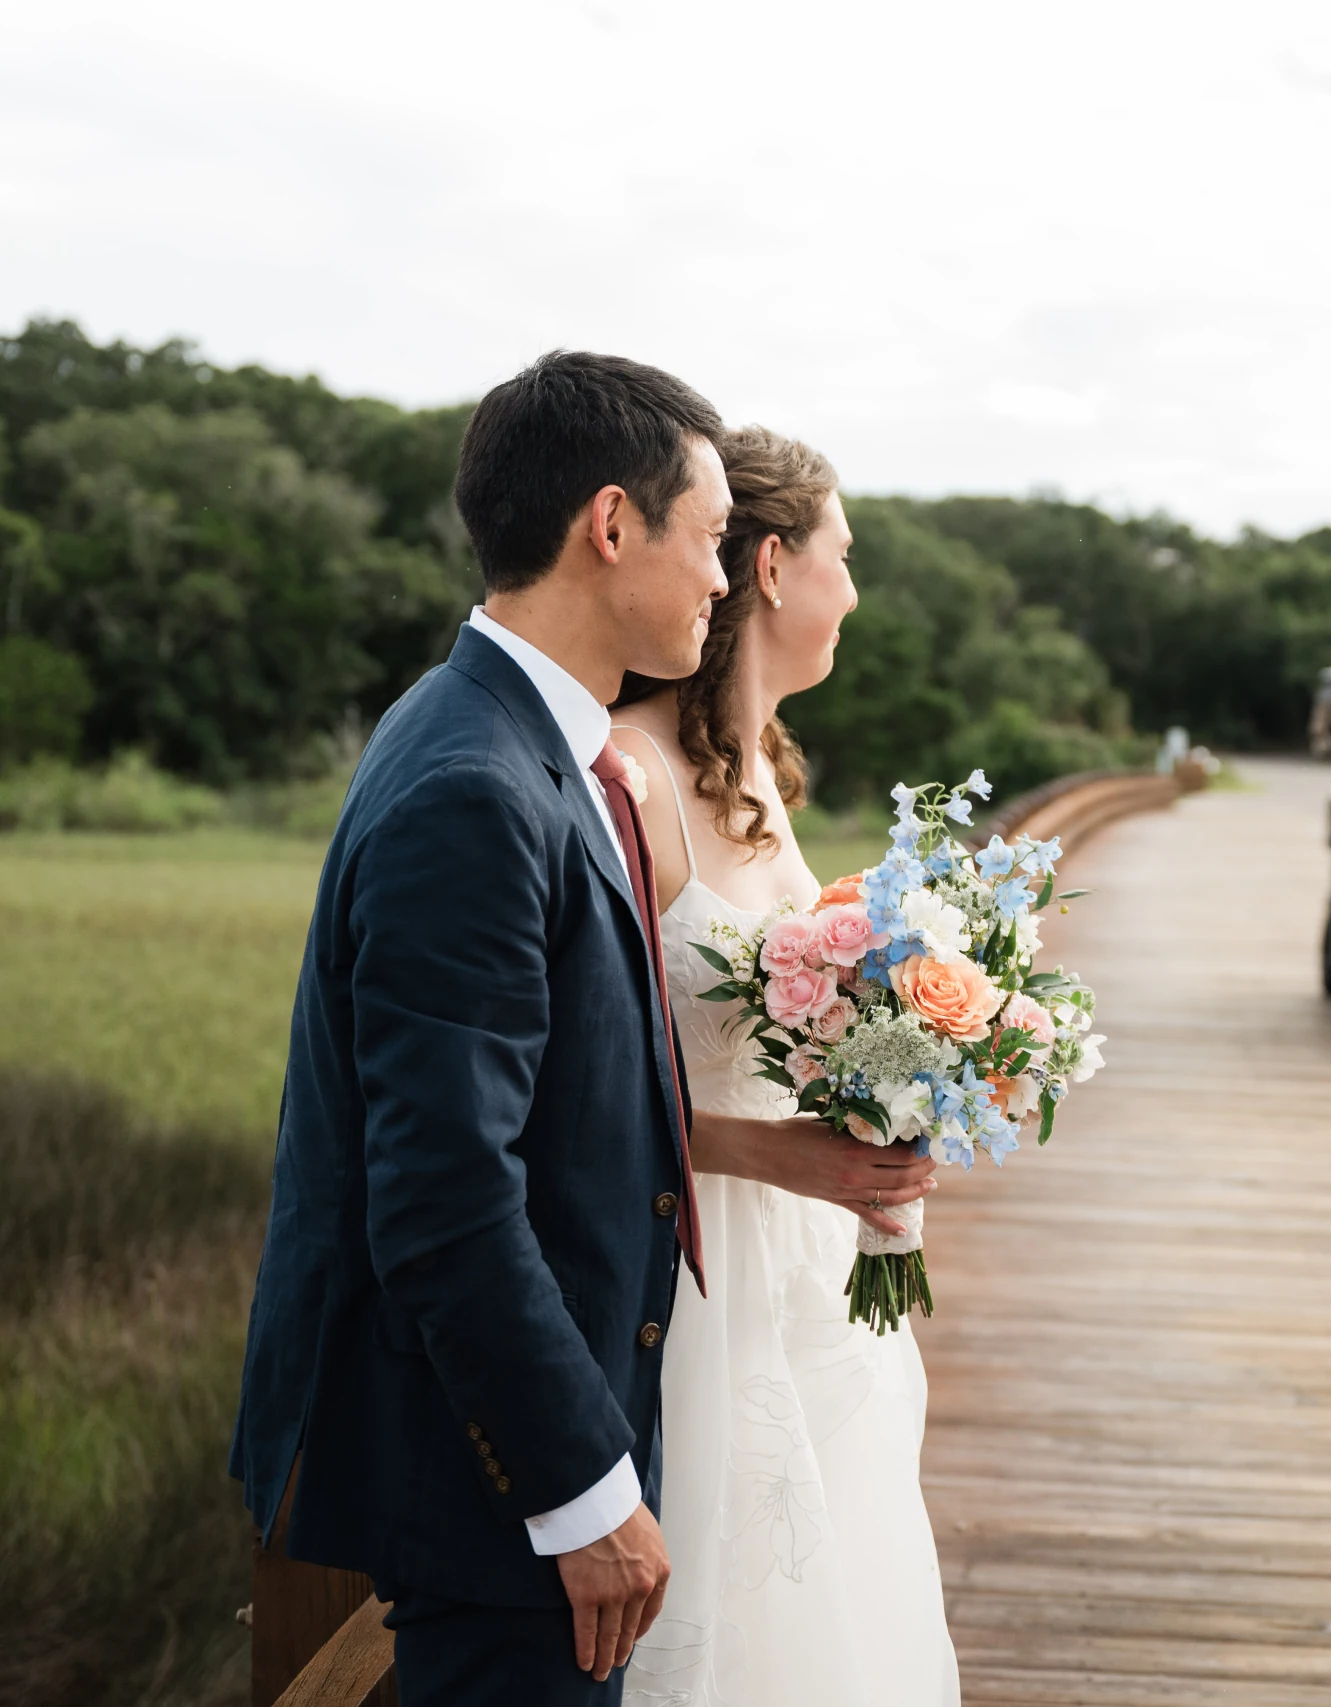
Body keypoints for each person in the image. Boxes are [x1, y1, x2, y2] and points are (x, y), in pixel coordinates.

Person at [230, 354, 913, 1704]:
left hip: (536, 1444)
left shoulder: (509, 739)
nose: (725, 581)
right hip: (493, 1487)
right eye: (711, 540)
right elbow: (442, 1192)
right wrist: (581, 1491)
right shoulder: (477, 785)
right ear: (612, 527)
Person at [607, 427, 962, 1705]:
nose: (855, 591)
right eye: (843, 555)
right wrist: (771, 1150)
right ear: (769, 567)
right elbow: (587, 1079)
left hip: (804, 1255)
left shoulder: (757, 767)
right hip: (698, 1264)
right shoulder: (633, 778)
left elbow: (775, 996)